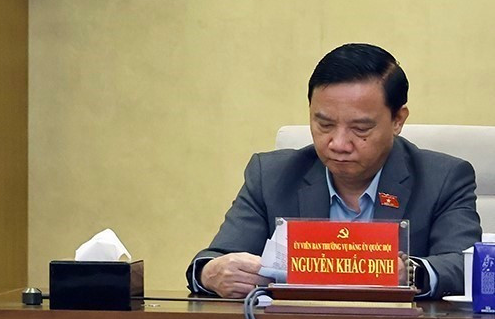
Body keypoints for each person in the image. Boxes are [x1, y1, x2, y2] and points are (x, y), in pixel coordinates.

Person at [188, 43, 480, 299]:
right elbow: (215, 259)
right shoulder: (272, 175)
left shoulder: (443, 178)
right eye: (324, 125)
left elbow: (466, 266)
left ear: (397, 120)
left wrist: (411, 274)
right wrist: (211, 273)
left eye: (360, 128)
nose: (339, 144)